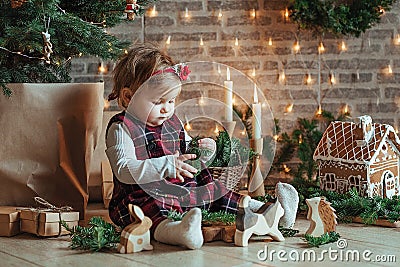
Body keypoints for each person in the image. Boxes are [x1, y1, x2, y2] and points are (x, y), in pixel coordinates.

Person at [105, 43, 267, 249]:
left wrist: (205, 152)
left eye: (171, 101)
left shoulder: (173, 122)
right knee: (153, 207)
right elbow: (123, 170)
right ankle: (178, 231)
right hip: (142, 194)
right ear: (129, 97)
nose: (166, 109)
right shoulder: (122, 128)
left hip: (180, 188)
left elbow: (190, 153)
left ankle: (263, 210)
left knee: (214, 190)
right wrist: (167, 165)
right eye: (158, 102)